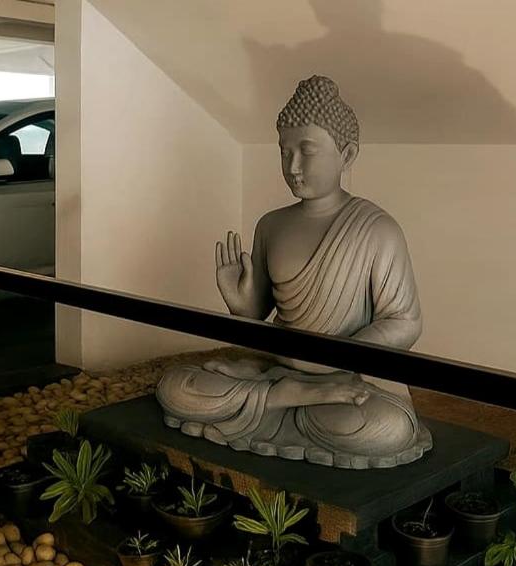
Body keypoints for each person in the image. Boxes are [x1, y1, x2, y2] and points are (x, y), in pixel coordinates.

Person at [156, 75, 431, 469]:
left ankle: (286, 398)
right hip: (277, 371)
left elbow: (404, 322)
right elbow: (259, 317)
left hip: (348, 381)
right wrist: (241, 304)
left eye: (307, 151)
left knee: (387, 427)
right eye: (284, 152)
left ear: (347, 154)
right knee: (176, 386)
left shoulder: (377, 229)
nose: (293, 166)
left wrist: (337, 360)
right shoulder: (272, 225)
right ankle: (289, 395)